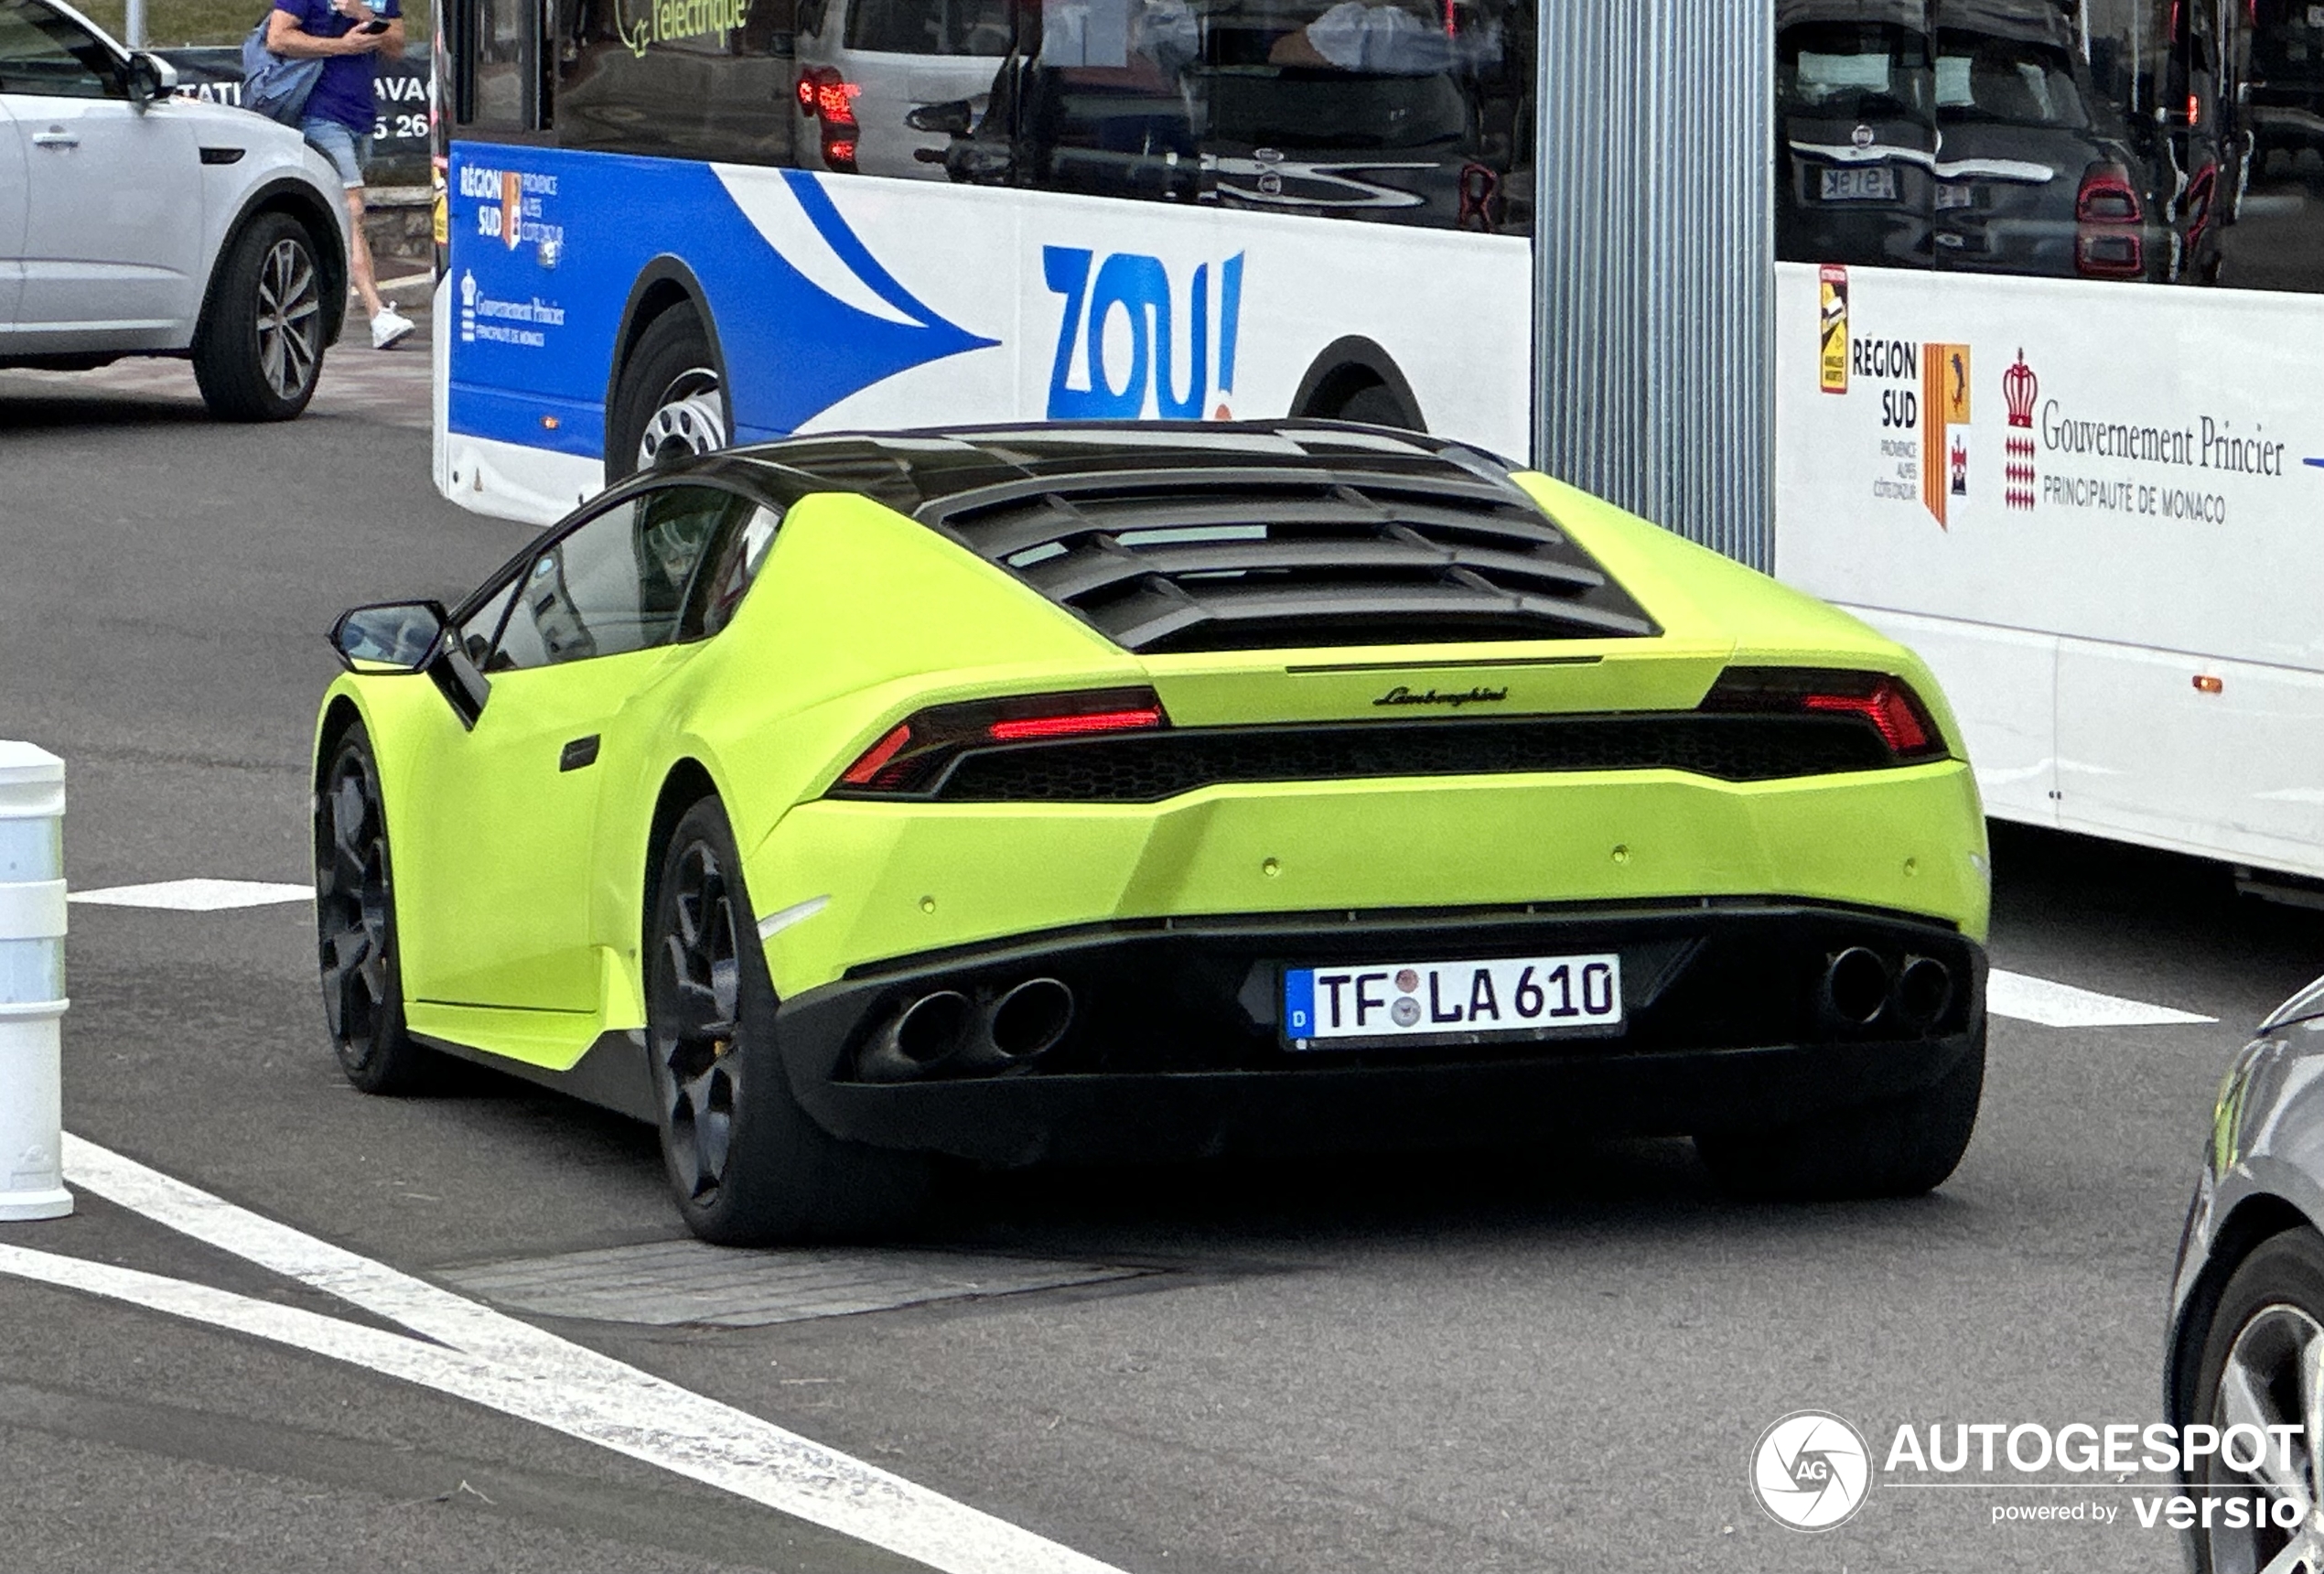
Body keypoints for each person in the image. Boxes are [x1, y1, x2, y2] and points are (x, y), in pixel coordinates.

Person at [265, 0, 414, 350]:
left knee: (342, 215)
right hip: (319, 112)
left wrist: (366, 16)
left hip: (361, 118)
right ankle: (378, 314)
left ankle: (315, 298)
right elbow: (278, 37)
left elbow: (397, 45)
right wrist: (340, 46)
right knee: (353, 208)